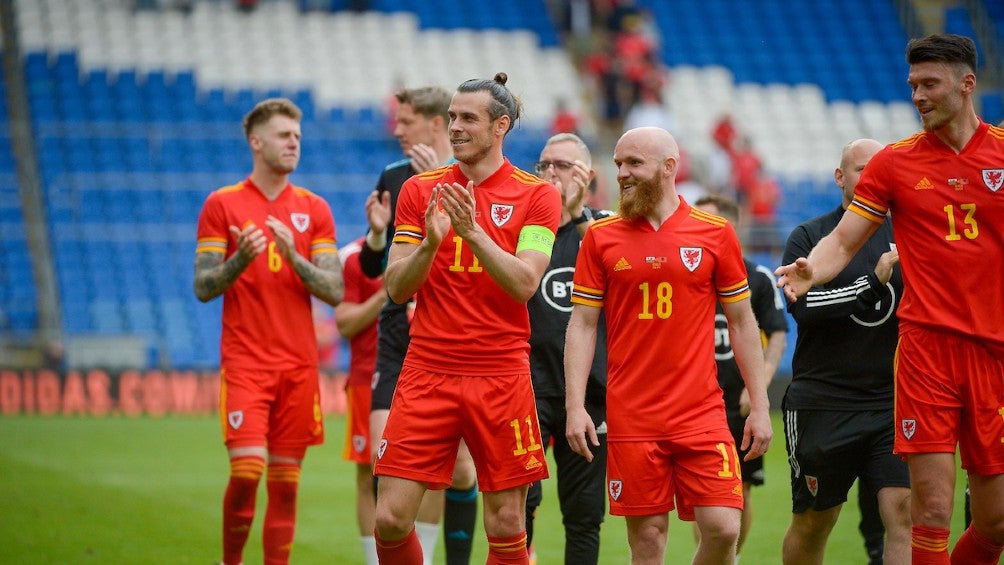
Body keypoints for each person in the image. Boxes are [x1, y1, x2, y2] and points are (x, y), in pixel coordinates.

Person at [776, 35, 1004, 564]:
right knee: (927, 509)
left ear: (967, 85)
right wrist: (815, 270)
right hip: (925, 353)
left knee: (993, 521)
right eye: (913, 86)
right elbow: (842, 240)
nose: (919, 96)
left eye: (930, 84)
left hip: (993, 353)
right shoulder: (895, 164)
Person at [372, 73, 561, 564]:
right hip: (427, 369)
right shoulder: (419, 191)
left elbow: (525, 283)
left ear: (500, 126)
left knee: (506, 523)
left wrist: (472, 233)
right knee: (390, 520)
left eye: (467, 118)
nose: (454, 127)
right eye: (452, 117)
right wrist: (432, 243)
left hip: (501, 374)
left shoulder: (537, 196)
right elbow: (396, 286)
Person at [565, 126, 773, 564]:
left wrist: (759, 404)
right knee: (648, 541)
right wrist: (575, 405)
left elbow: (741, 321)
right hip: (632, 415)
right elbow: (582, 326)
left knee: (722, 529)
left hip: (701, 412)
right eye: (619, 163)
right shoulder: (601, 238)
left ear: (669, 168)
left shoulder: (715, 233)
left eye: (634, 163)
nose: (621, 172)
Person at [194, 97, 344, 565]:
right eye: (284, 135)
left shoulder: (313, 209)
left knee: (285, 485)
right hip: (246, 365)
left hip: (299, 368)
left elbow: (335, 290)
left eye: (297, 136)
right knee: (247, 470)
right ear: (256, 143)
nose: (294, 142)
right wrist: (240, 258)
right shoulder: (222, 204)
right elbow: (202, 285)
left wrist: (293, 256)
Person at [359, 85, 479, 564]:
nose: (397, 129)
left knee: (464, 471)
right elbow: (376, 270)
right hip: (399, 333)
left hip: (457, 333)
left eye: (406, 121)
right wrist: (373, 237)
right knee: (384, 463)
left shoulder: (473, 177)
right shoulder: (394, 177)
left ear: (436, 123)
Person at [777, 138, 911, 565]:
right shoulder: (809, 237)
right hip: (823, 403)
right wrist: (871, 283)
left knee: (904, 514)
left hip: (889, 403)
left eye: (878, 171)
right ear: (840, 177)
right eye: (861, 170)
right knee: (816, 521)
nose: (871, 179)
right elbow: (807, 309)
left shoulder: (908, 235)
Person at [525, 133, 612, 564]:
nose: (550, 174)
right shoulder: (524, 233)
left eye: (562, 165)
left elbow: (619, 271)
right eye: (544, 165)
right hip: (528, 388)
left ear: (588, 176)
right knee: (518, 501)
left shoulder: (605, 226)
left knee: (583, 515)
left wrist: (577, 214)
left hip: (591, 394)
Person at [692, 194, 788, 563]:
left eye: (709, 222)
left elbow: (777, 332)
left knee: (739, 492)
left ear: (730, 228)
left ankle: (727, 556)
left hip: (737, 404)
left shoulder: (757, 278)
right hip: (696, 401)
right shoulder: (687, 272)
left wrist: (758, 383)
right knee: (702, 497)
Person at [334, 236, 385, 565]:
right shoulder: (353, 257)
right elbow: (345, 323)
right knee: (369, 475)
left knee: (431, 475)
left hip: (422, 374)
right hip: (367, 379)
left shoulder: (434, 241)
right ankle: (373, 561)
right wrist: (385, 293)